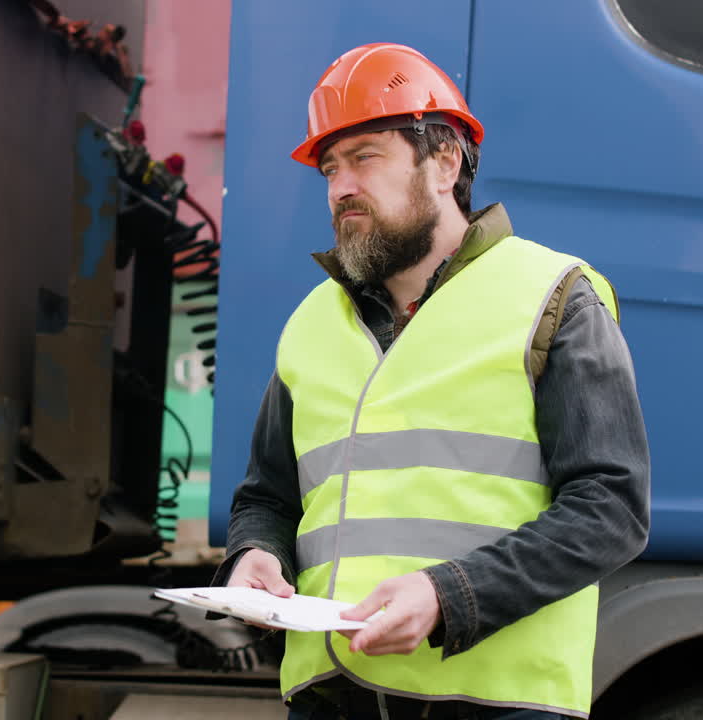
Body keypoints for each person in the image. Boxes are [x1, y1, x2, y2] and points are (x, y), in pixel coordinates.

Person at [214, 43, 651, 720]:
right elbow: (266, 498)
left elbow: (611, 509)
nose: (339, 188)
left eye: (364, 156)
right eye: (329, 168)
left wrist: (451, 596)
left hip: (495, 703)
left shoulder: (554, 296)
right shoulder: (311, 324)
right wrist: (254, 557)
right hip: (334, 701)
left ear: (445, 162)